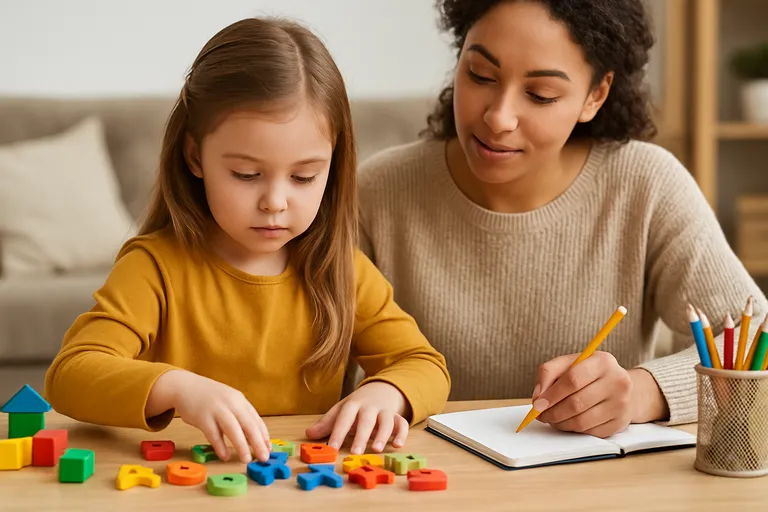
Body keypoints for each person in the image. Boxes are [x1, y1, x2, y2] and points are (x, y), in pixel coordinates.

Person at [44, 17, 450, 464]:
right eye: (247, 175)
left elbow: (424, 364)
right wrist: (178, 388)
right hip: (184, 485)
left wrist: (388, 391)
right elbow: (70, 374)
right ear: (195, 156)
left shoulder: (343, 271)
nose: (275, 202)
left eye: (304, 176)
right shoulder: (154, 267)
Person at [357, 0, 766, 438]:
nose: (499, 117)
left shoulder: (645, 185)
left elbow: (756, 342)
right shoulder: (378, 190)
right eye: (479, 75)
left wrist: (642, 392)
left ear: (596, 95)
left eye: (541, 95)